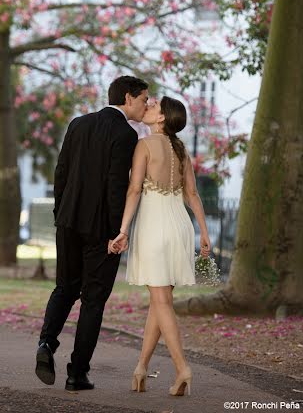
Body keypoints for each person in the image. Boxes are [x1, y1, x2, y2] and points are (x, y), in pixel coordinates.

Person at [35, 75, 149, 391]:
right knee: (93, 301)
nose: (145, 106)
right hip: (100, 230)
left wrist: (61, 212)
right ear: (128, 98)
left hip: (68, 222)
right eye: (143, 100)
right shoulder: (125, 134)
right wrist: (118, 233)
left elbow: (61, 171)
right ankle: (77, 374)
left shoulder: (78, 124)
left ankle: (46, 343)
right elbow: (116, 187)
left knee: (64, 287)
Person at [110, 96, 211, 397]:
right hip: (180, 226)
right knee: (160, 300)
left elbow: (134, 189)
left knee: (161, 301)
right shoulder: (181, 150)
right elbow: (192, 194)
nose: (150, 106)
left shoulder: (144, 145)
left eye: (155, 106)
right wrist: (204, 233)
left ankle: (183, 369)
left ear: (162, 118)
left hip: (155, 227)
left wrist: (123, 229)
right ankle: (141, 367)